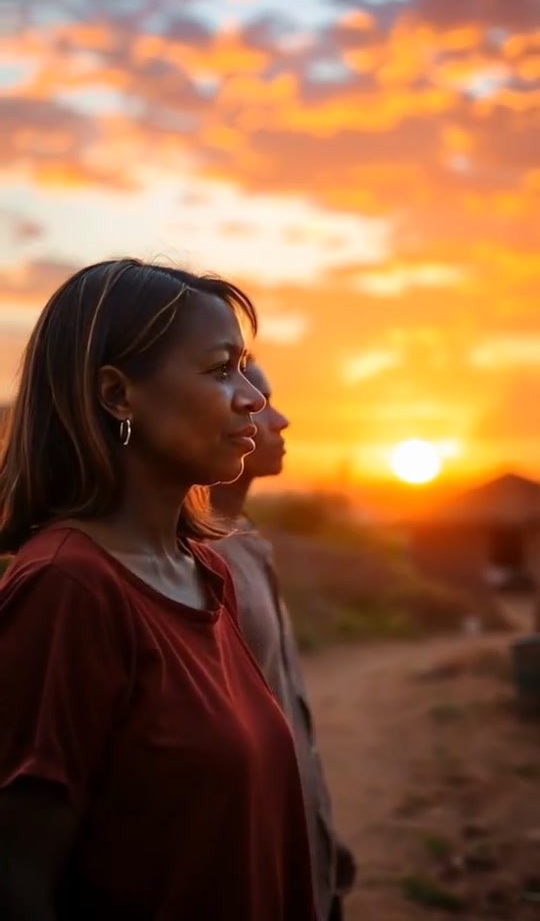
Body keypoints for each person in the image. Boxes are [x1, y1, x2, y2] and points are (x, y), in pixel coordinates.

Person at [0, 259, 317, 921]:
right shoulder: (67, 590)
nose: (253, 399)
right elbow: (20, 879)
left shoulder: (206, 572)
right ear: (118, 395)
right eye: (219, 369)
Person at [211, 358, 357, 921]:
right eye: (261, 402)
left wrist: (321, 841)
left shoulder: (243, 541)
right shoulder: (190, 563)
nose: (282, 420)